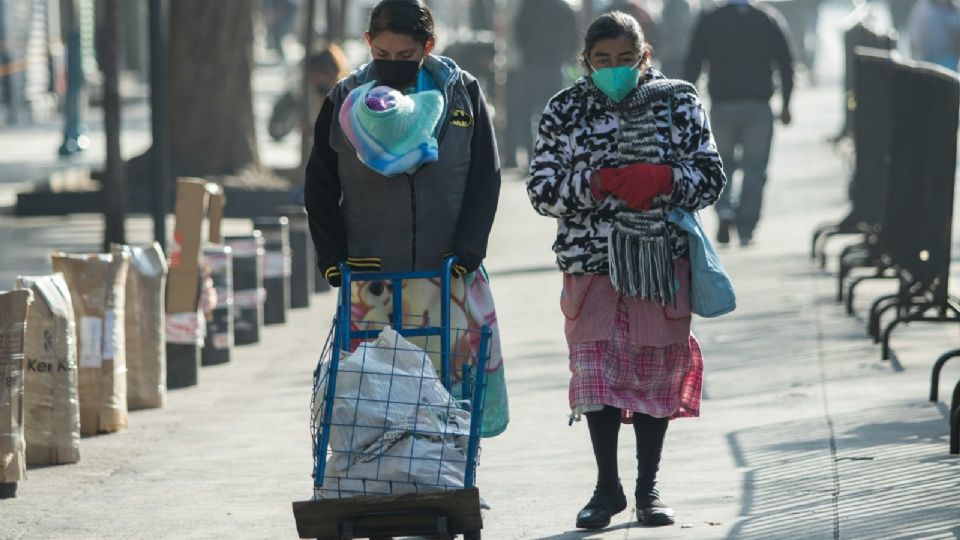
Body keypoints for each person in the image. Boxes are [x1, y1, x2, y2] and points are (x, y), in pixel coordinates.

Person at [527, 11, 725, 530]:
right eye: (601, 61)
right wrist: (599, 183)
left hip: (660, 263)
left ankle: (648, 487)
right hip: (590, 266)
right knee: (596, 377)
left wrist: (662, 177)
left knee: (656, 375)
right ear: (585, 63)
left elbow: (709, 176)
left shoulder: (678, 102)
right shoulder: (563, 110)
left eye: (624, 60)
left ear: (645, 56)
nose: (614, 69)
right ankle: (606, 487)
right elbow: (542, 189)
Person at [304, 0, 509, 437]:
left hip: (447, 273)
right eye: (382, 56)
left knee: (450, 391)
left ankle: (451, 478)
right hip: (372, 280)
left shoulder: (463, 95)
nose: (392, 66)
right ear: (367, 44)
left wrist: (468, 250)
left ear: (428, 46)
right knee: (376, 395)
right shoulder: (344, 100)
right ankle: (380, 485)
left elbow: (484, 178)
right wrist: (334, 259)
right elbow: (319, 187)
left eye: (405, 57)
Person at [684, 0, 794, 246]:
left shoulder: (710, 20)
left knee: (722, 164)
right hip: (758, 105)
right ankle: (746, 226)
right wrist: (786, 103)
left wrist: (687, 103)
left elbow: (693, 63)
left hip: (722, 104)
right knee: (755, 168)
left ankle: (725, 210)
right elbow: (786, 64)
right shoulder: (767, 19)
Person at [503, 0, 579, 168]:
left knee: (528, 114)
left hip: (531, 65)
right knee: (554, 113)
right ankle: (553, 157)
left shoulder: (528, 5)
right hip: (555, 66)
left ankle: (533, 158)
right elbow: (574, 38)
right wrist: (564, 56)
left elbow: (518, 31)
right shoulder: (564, 7)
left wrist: (527, 51)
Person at [907, 0, 960, 70]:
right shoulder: (924, 6)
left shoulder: (956, 10)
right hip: (927, 61)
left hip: (949, 62)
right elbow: (915, 36)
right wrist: (917, 59)